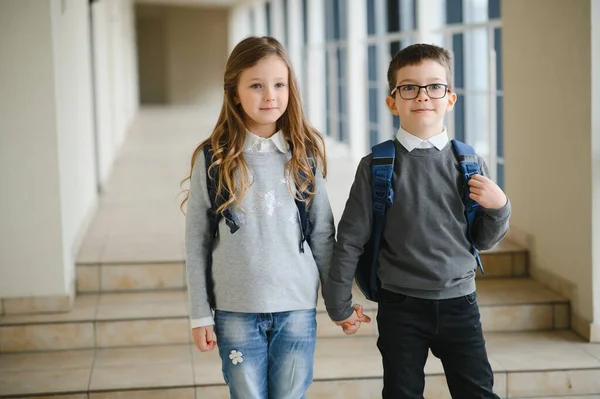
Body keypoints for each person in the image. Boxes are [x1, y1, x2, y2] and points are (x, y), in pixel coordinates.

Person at [324, 43, 511, 399]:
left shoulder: (468, 162)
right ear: (393, 102)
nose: (422, 96)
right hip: (400, 307)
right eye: (409, 87)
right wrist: (338, 303)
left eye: (434, 86)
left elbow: (483, 239)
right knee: (402, 392)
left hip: (461, 303)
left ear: (450, 98)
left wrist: (500, 206)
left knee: (477, 392)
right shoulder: (376, 165)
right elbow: (350, 239)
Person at [181, 36, 335, 399]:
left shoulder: (304, 156)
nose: (270, 95)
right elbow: (197, 241)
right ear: (234, 93)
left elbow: (323, 234)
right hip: (236, 310)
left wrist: (338, 301)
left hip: (296, 307)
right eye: (256, 85)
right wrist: (199, 313)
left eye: (279, 84)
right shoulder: (214, 158)